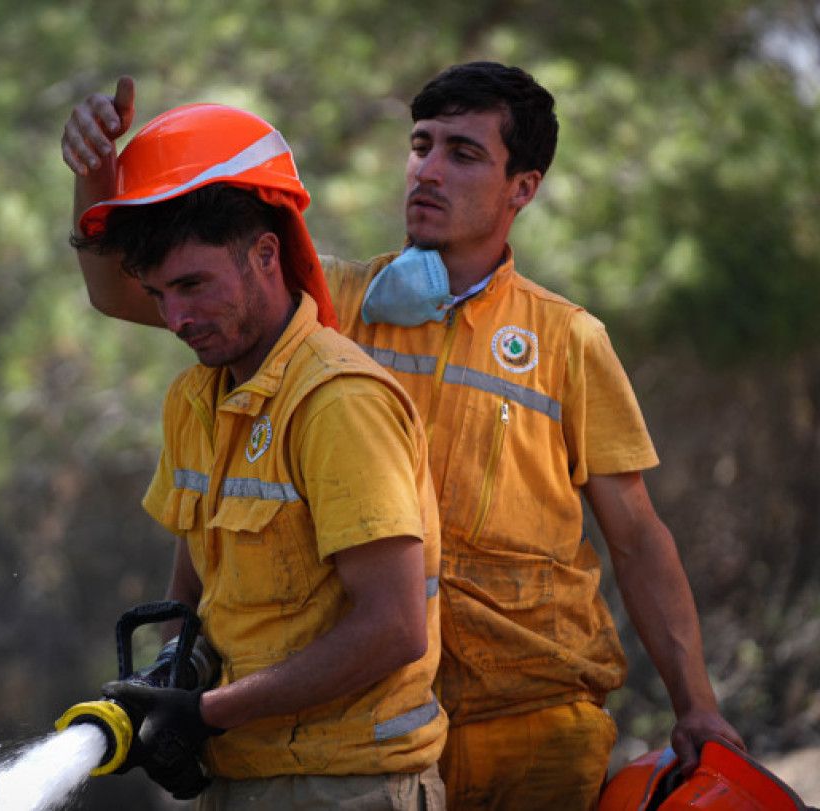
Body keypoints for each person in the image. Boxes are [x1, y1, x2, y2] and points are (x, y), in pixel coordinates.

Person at [62, 63, 745, 810]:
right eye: (421, 146)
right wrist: (96, 179)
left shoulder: (568, 340)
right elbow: (135, 286)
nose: (428, 170)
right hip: (383, 725)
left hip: (534, 728)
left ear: (524, 188)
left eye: (464, 152)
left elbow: (638, 538)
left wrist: (696, 702)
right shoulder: (329, 303)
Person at [71, 102, 447, 809]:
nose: (175, 319)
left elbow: (394, 626)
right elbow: (197, 594)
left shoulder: (337, 403)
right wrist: (173, 682)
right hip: (244, 778)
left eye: (192, 285)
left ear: (267, 255)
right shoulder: (195, 399)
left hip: (353, 786)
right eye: (158, 295)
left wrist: (210, 713)